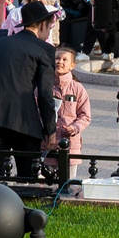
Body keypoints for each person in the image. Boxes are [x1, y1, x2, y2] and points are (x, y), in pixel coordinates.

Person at [0, 1, 60, 181]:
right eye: (49, 27)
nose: (49, 32)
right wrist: (50, 130)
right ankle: (24, 207)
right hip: (24, 120)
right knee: (28, 177)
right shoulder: (45, 50)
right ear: (42, 24)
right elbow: (45, 95)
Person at [48, 47, 91, 184]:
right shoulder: (45, 86)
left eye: (65, 59)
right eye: (57, 58)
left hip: (71, 143)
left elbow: (85, 116)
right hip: (48, 143)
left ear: (72, 65)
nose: (60, 62)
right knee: (46, 182)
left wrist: (75, 127)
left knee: (69, 183)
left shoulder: (77, 88)